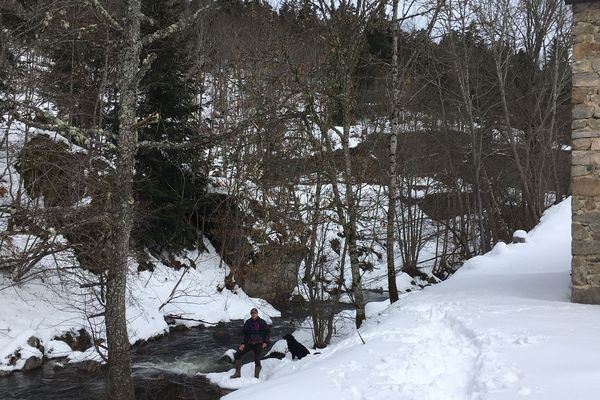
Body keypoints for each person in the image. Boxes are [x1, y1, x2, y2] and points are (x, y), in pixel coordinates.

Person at [230, 307, 270, 379]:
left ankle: (256, 376)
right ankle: (237, 373)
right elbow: (244, 334)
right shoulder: (248, 322)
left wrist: (266, 342)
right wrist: (242, 343)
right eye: (252, 313)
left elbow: (267, 333)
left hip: (259, 343)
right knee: (238, 354)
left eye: (255, 313)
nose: (253, 314)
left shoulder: (262, 322)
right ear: (250, 314)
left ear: (257, 313)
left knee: (257, 359)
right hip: (249, 343)